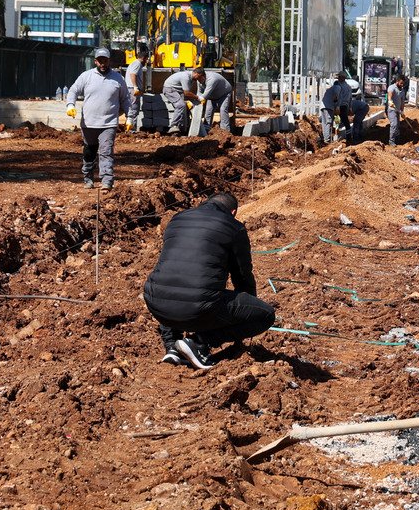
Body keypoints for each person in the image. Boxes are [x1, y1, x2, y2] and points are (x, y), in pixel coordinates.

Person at [142, 192, 274, 370]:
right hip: (196, 307)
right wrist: (248, 312)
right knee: (266, 315)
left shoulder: (178, 219)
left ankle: (173, 346)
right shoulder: (234, 227)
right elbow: (242, 276)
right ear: (233, 212)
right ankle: (199, 343)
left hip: (155, 301)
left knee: (173, 282)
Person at [66, 47, 132, 189]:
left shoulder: (118, 78)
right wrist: (70, 105)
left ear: (109, 61)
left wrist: (130, 117)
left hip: (108, 123)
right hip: (89, 123)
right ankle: (88, 177)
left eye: (105, 60)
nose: (103, 63)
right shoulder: (86, 76)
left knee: (106, 152)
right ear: (95, 61)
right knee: (89, 151)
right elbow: (73, 91)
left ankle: (107, 180)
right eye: (100, 61)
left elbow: (126, 99)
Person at [162, 69, 201, 135]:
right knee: (180, 105)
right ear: (196, 73)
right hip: (169, 89)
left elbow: (187, 92)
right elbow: (186, 93)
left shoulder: (191, 79)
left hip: (178, 91)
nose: (198, 79)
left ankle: (184, 127)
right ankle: (174, 126)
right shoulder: (186, 77)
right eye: (199, 77)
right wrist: (198, 97)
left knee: (185, 106)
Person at [199, 68, 234, 134]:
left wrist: (196, 101)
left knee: (223, 110)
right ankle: (206, 130)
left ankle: (225, 131)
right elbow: (200, 92)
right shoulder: (199, 80)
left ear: (203, 76)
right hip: (212, 95)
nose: (198, 81)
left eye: (199, 79)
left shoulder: (212, 79)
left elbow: (205, 95)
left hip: (224, 94)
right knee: (208, 112)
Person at [320, 72, 352, 143]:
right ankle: (341, 137)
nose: (338, 78)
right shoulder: (348, 87)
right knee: (341, 121)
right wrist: (350, 107)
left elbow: (337, 97)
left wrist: (337, 107)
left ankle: (332, 137)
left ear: (342, 77)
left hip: (338, 106)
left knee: (333, 120)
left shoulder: (338, 86)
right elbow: (350, 99)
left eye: (339, 77)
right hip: (341, 106)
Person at [125, 43, 149, 130]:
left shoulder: (134, 63)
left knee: (131, 108)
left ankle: (129, 127)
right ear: (143, 58)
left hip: (130, 88)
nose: (146, 61)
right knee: (134, 109)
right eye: (146, 59)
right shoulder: (137, 64)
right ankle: (132, 129)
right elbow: (133, 74)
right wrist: (135, 87)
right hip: (132, 89)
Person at [387, 73, 408, 146]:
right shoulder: (392, 87)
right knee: (394, 124)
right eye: (401, 83)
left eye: (403, 83)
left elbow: (402, 102)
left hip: (398, 111)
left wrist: (402, 111)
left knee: (398, 125)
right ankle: (391, 141)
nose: (402, 84)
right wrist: (390, 101)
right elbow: (390, 94)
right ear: (397, 81)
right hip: (392, 110)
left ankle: (397, 140)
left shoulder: (402, 91)